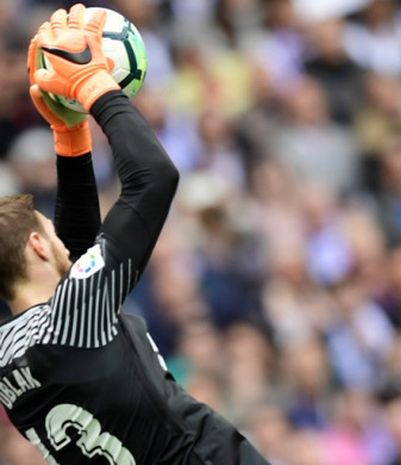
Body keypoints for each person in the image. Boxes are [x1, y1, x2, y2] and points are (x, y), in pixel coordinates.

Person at [0, 5, 269, 464]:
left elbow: (80, 258)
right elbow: (155, 179)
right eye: (51, 231)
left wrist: (71, 137)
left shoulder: (10, 360)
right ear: (38, 245)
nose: (63, 240)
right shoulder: (73, 317)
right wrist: (95, 87)